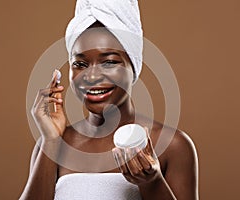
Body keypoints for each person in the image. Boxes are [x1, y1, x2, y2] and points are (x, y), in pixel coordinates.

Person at [20, 0, 198, 199]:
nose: (92, 76)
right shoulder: (54, 144)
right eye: (80, 63)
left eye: (109, 62)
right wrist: (51, 140)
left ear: (134, 66)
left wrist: (151, 181)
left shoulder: (172, 144)